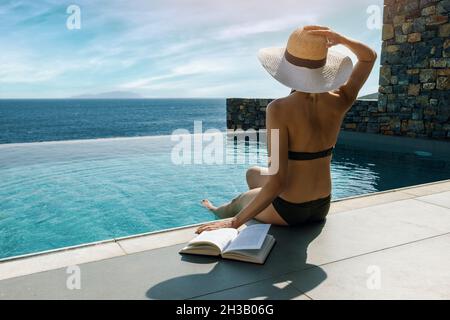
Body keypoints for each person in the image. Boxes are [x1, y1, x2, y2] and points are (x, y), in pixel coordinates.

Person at [197, 25, 377, 234]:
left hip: (290, 211)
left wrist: (234, 222)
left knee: (238, 202)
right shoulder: (341, 99)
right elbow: (369, 58)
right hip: (321, 206)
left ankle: (217, 211)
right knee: (253, 174)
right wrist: (341, 38)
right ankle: (260, 208)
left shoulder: (279, 109)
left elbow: (278, 181)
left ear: (288, 70)